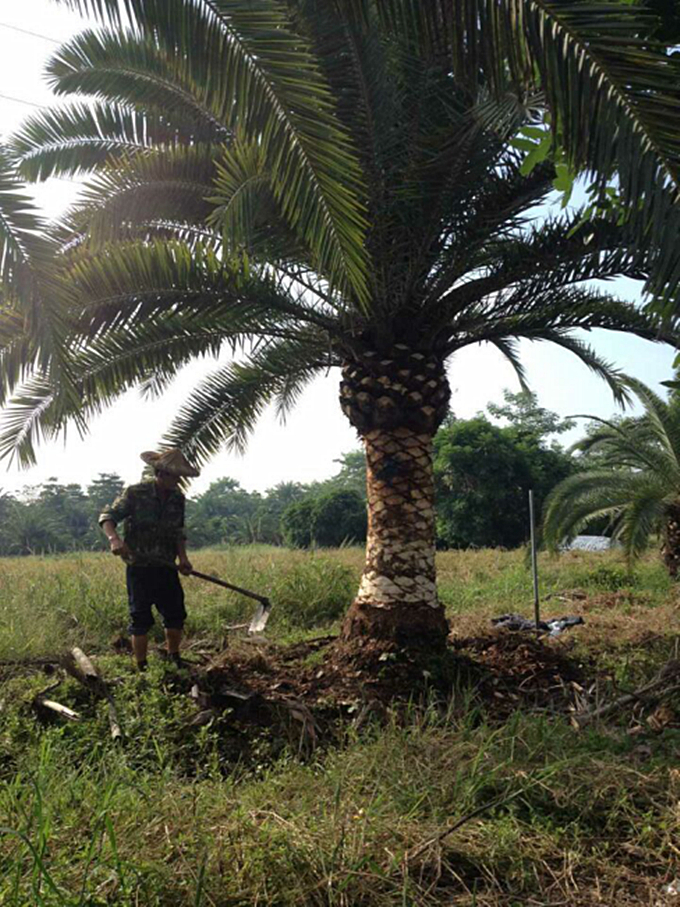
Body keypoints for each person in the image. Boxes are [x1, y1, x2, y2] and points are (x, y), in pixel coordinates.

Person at [99, 449, 200, 671]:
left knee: (175, 615)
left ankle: (174, 657)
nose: (178, 480)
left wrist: (183, 559)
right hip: (139, 567)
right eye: (174, 476)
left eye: (179, 476)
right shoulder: (136, 493)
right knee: (140, 618)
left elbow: (178, 532)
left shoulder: (177, 499)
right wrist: (114, 539)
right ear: (161, 473)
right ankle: (142, 666)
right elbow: (107, 517)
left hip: (166, 567)